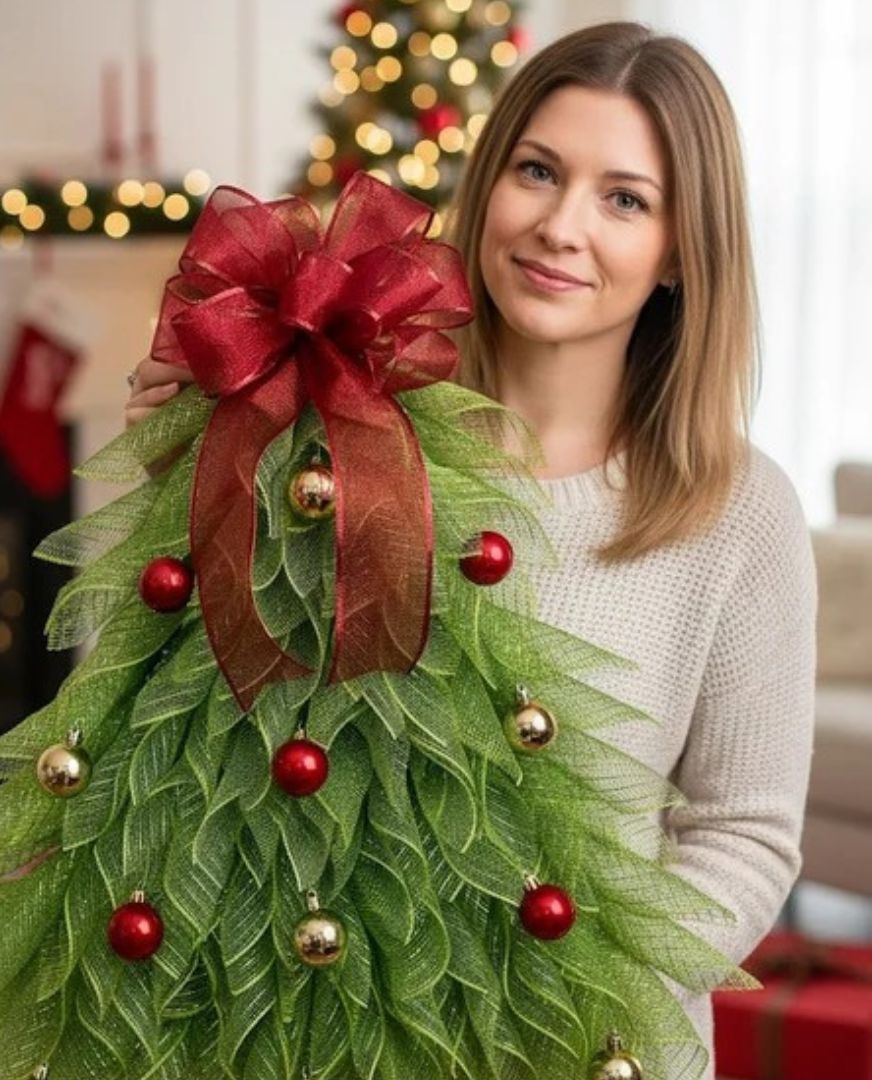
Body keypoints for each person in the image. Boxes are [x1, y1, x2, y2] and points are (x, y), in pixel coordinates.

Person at [125, 20, 817, 1075]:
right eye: (538, 172)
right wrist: (175, 489)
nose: (559, 227)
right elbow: (177, 727)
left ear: (681, 251)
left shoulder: (740, 512)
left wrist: (574, 988)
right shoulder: (341, 435)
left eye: (624, 198)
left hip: (590, 1045)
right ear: (489, 183)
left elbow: (747, 835)